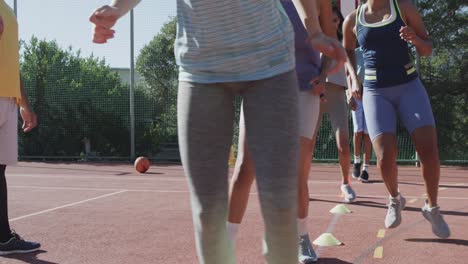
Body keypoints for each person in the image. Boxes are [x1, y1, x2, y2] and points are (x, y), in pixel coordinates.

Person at [90, 0, 346, 263]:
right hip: (201, 66)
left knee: (280, 203)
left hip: (271, 63)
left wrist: (314, 30)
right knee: (208, 212)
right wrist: (116, 8)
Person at [227, 1, 339, 263]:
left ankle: (301, 238)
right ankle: (225, 242)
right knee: (245, 167)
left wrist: (323, 76)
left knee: (296, 171)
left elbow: (330, 45)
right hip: (261, 87)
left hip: (304, 90)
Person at [343, 0, 450, 237]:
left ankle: (432, 208)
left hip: (409, 86)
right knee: (384, 156)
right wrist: (352, 79)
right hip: (374, 91)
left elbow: (428, 48)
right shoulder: (353, 19)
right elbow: (347, 50)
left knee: (429, 150)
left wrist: (416, 40)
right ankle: (394, 199)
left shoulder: (404, 8)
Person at [0, 0, 40, 255]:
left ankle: (3, 238)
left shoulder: (7, 9)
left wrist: (24, 103)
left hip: (8, 97)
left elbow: (11, 62)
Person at [310, 5, 357, 203]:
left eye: (337, 21)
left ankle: (345, 183)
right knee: (307, 144)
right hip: (314, 95)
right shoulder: (313, 42)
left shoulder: (341, 45)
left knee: (343, 143)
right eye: (331, 20)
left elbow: (348, 69)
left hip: (337, 94)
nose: (335, 23)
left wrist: (352, 92)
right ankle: (301, 185)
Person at [350, 46, 372, 182]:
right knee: (358, 131)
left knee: (368, 134)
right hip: (357, 96)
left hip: (371, 95)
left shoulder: (376, 51)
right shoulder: (354, 52)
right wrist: (349, 94)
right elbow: (348, 74)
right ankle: (357, 161)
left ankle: (366, 168)